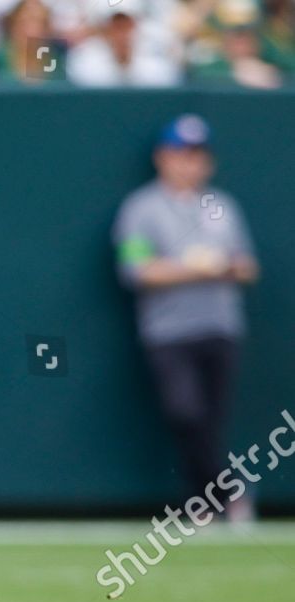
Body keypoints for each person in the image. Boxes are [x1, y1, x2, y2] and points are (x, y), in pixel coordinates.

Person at [113, 114, 259, 519]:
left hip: (220, 325)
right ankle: (226, 493)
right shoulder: (142, 208)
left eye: (197, 155)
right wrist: (194, 269)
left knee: (212, 419)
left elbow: (247, 266)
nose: (189, 164)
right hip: (168, 331)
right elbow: (136, 270)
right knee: (185, 412)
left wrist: (224, 267)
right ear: (163, 158)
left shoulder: (222, 208)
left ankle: (204, 504)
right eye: (181, 154)